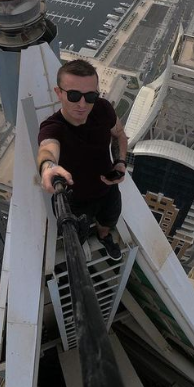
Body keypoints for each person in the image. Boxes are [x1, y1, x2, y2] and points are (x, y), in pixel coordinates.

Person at [37, 59, 129, 261]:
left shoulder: (103, 109)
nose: (82, 104)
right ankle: (82, 241)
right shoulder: (53, 127)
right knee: (76, 235)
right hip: (74, 200)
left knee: (108, 223)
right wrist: (48, 167)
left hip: (107, 189)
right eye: (73, 95)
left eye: (90, 96)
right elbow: (47, 148)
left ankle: (104, 237)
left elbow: (120, 135)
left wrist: (121, 162)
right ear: (59, 93)